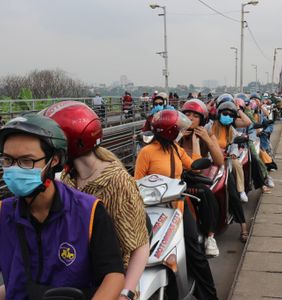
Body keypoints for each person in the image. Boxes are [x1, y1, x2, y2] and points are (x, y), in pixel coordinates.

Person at [0, 114, 124, 300]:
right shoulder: (3, 213)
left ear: (54, 160)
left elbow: (113, 274)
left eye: (27, 161)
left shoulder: (89, 212)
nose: (15, 169)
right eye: (8, 161)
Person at [41, 101, 149, 300]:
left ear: (72, 142)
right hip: (75, 278)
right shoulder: (69, 177)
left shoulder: (116, 182)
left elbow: (139, 245)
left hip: (110, 284)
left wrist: (126, 292)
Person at [134, 110, 218, 300]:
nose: (181, 131)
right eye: (178, 129)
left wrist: (205, 152)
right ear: (171, 132)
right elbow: (137, 182)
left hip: (179, 208)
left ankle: (209, 295)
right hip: (155, 210)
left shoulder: (175, 149)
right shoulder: (146, 153)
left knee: (195, 251)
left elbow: (191, 163)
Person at [180, 99, 223, 257]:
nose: (190, 118)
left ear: (202, 120)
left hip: (195, 178)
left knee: (205, 194)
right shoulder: (175, 133)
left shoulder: (207, 134)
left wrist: (206, 139)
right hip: (174, 177)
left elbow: (219, 161)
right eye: (187, 114)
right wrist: (177, 137)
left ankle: (210, 236)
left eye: (195, 116)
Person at [205, 100, 250, 242]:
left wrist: (233, 154)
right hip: (207, 165)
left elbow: (234, 146)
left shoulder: (232, 130)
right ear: (218, 114)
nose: (228, 117)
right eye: (225, 114)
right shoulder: (209, 127)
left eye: (231, 115)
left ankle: (243, 228)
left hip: (223, 167)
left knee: (234, 195)